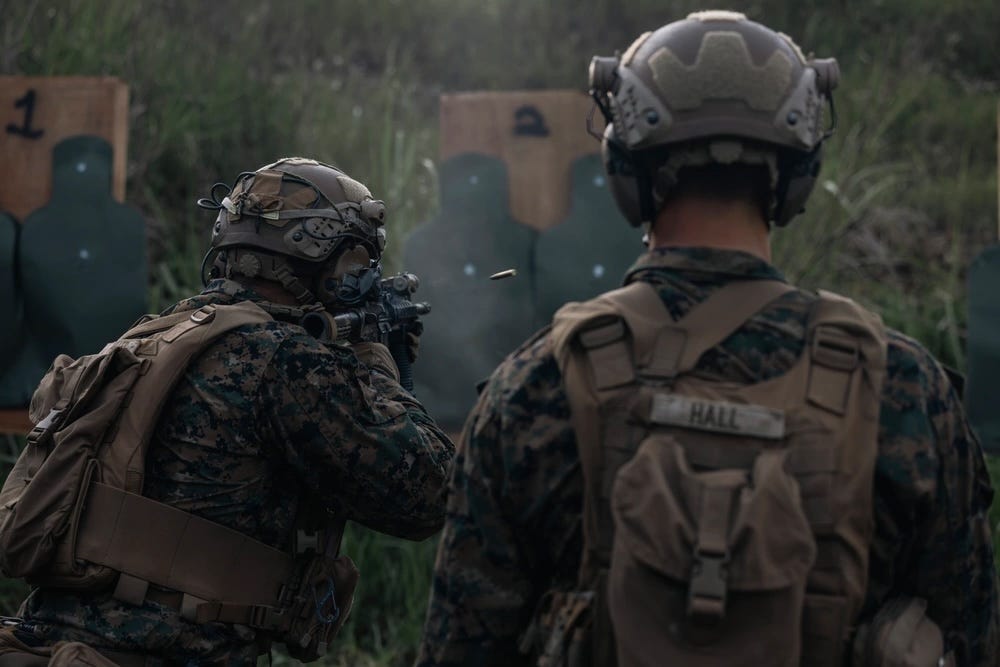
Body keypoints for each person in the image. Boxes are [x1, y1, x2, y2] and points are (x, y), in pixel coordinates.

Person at [417, 11, 998, 667]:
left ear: (625, 171)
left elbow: (457, 649)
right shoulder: (900, 386)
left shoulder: (537, 384)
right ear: (799, 172)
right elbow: (969, 638)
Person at [6, 157, 454, 665]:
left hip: (55, 643)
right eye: (357, 264)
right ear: (330, 260)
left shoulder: (153, 336)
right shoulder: (286, 362)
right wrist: (377, 361)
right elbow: (427, 493)